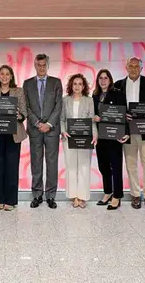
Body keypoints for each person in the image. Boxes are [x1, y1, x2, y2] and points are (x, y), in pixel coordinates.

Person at [114, 57, 145, 212]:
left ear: (141, 68)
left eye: (137, 66)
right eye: (131, 66)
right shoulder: (118, 85)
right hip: (128, 131)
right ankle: (135, 194)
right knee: (131, 165)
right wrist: (122, 116)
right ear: (126, 67)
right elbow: (114, 107)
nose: (134, 68)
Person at [22, 54, 63, 209]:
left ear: (48, 65)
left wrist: (49, 124)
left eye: (44, 64)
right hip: (35, 129)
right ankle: (37, 195)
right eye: (38, 65)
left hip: (51, 130)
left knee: (52, 164)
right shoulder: (27, 84)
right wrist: (38, 123)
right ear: (34, 65)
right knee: (36, 163)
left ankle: (51, 196)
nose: (41, 67)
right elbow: (26, 107)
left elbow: (59, 105)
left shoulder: (56, 82)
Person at [0, 65, 28, 211]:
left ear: (11, 76)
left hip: (13, 135)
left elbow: (24, 112)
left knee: (11, 167)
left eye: (7, 74)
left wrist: (20, 116)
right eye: (1, 74)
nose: (4, 76)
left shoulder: (19, 91)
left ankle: (10, 200)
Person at [92, 69, 129, 210]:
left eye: (105, 78)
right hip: (100, 136)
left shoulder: (118, 94)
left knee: (116, 166)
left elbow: (124, 114)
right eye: (100, 78)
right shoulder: (95, 95)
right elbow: (93, 113)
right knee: (103, 167)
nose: (103, 80)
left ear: (110, 79)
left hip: (114, 136)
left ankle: (117, 196)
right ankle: (107, 192)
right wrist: (94, 117)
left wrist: (126, 132)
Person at [60, 74, 97, 208]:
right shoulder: (65, 100)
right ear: (71, 85)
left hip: (85, 139)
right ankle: (74, 196)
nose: (77, 86)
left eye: (80, 84)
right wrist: (63, 131)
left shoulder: (89, 101)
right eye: (75, 84)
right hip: (68, 138)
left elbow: (92, 120)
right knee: (71, 167)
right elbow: (62, 119)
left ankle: (82, 197)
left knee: (84, 167)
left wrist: (95, 135)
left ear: (84, 86)